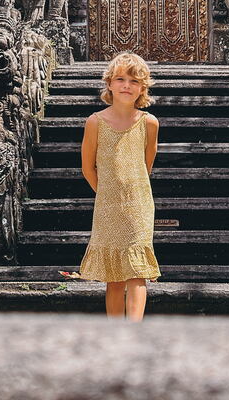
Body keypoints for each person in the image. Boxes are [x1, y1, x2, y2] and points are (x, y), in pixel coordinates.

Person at [77, 51, 160, 320]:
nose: (127, 85)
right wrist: (107, 192)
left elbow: (146, 165)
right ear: (109, 83)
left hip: (138, 204)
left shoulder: (149, 123)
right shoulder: (95, 122)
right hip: (108, 205)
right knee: (114, 276)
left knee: (137, 271)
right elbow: (88, 167)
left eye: (134, 81)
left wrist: (131, 192)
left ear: (142, 87)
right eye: (121, 79)